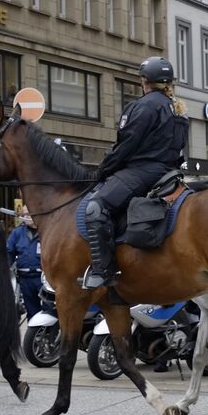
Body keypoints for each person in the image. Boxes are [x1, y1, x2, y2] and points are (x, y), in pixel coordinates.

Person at [81, 56, 188, 290]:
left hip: (142, 171)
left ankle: (103, 270)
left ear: (144, 81)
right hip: (168, 172)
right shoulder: (177, 109)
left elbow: (126, 145)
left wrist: (103, 170)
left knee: (96, 207)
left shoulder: (144, 106)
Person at [8, 206, 44, 318]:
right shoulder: (17, 233)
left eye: (30, 213)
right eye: (25, 214)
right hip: (25, 279)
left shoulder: (46, 231)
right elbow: (9, 252)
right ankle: (34, 329)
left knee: (49, 309)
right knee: (32, 311)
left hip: (43, 278)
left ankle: (50, 329)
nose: (27, 216)